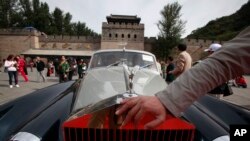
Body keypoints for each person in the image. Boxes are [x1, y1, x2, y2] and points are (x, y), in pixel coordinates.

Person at [115, 26, 250, 129]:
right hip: (194, 84)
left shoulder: (181, 56)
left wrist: (171, 75)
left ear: (179, 48)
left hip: (188, 83)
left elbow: (225, 60)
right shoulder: (189, 56)